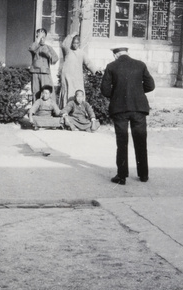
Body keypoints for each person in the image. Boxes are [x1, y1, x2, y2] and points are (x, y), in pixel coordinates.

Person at [101, 47, 155, 185]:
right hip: (139, 108)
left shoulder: (111, 66)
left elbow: (105, 90)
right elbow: (150, 85)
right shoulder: (140, 64)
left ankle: (122, 176)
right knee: (141, 141)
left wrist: (118, 93)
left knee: (122, 142)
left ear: (116, 55)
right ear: (127, 53)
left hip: (120, 109)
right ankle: (143, 175)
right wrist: (136, 91)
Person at [59, 32, 98, 107]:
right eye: (73, 43)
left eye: (77, 43)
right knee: (68, 91)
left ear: (79, 44)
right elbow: (64, 44)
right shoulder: (68, 51)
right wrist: (71, 35)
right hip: (68, 75)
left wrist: (95, 70)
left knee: (77, 92)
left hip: (77, 76)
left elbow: (88, 63)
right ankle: (66, 109)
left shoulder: (81, 53)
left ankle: (78, 110)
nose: (75, 45)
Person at [29, 28, 58, 100]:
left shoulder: (48, 47)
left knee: (47, 92)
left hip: (45, 73)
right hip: (35, 72)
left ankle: (47, 109)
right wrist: (38, 38)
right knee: (35, 92)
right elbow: (32, 49)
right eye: (39, 37)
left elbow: (55, 58)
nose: (42, 39)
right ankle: (35, 110)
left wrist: (48, 55)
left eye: (43, 37)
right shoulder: (35, 46)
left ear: (45, 37)